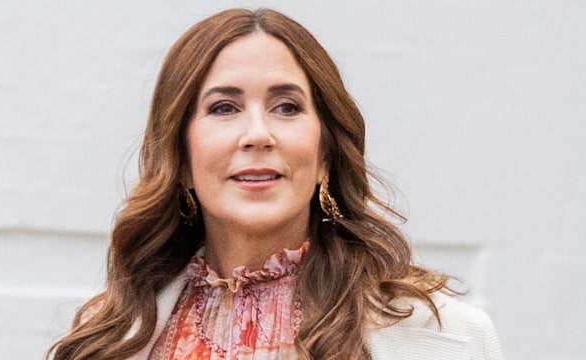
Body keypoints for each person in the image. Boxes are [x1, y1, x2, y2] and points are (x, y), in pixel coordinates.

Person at [49, 8, 503, 360]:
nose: (258, 134)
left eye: (286, 107)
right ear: (181, 158)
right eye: (224, 108)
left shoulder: (446, 338)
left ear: (325, 152)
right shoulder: (107, 337)